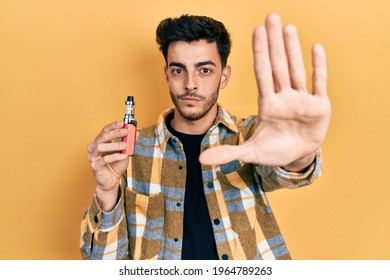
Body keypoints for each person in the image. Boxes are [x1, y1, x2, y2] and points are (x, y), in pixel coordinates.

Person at [80, 13, 331, 260]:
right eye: (179, 71)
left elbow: (284, 170)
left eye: (205, 70)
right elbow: (104, 264)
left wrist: (300, 156)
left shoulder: (252, 135)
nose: (190, 84)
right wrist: (107, 191)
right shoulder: (130, 151)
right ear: (167, 74)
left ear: (224, 76)